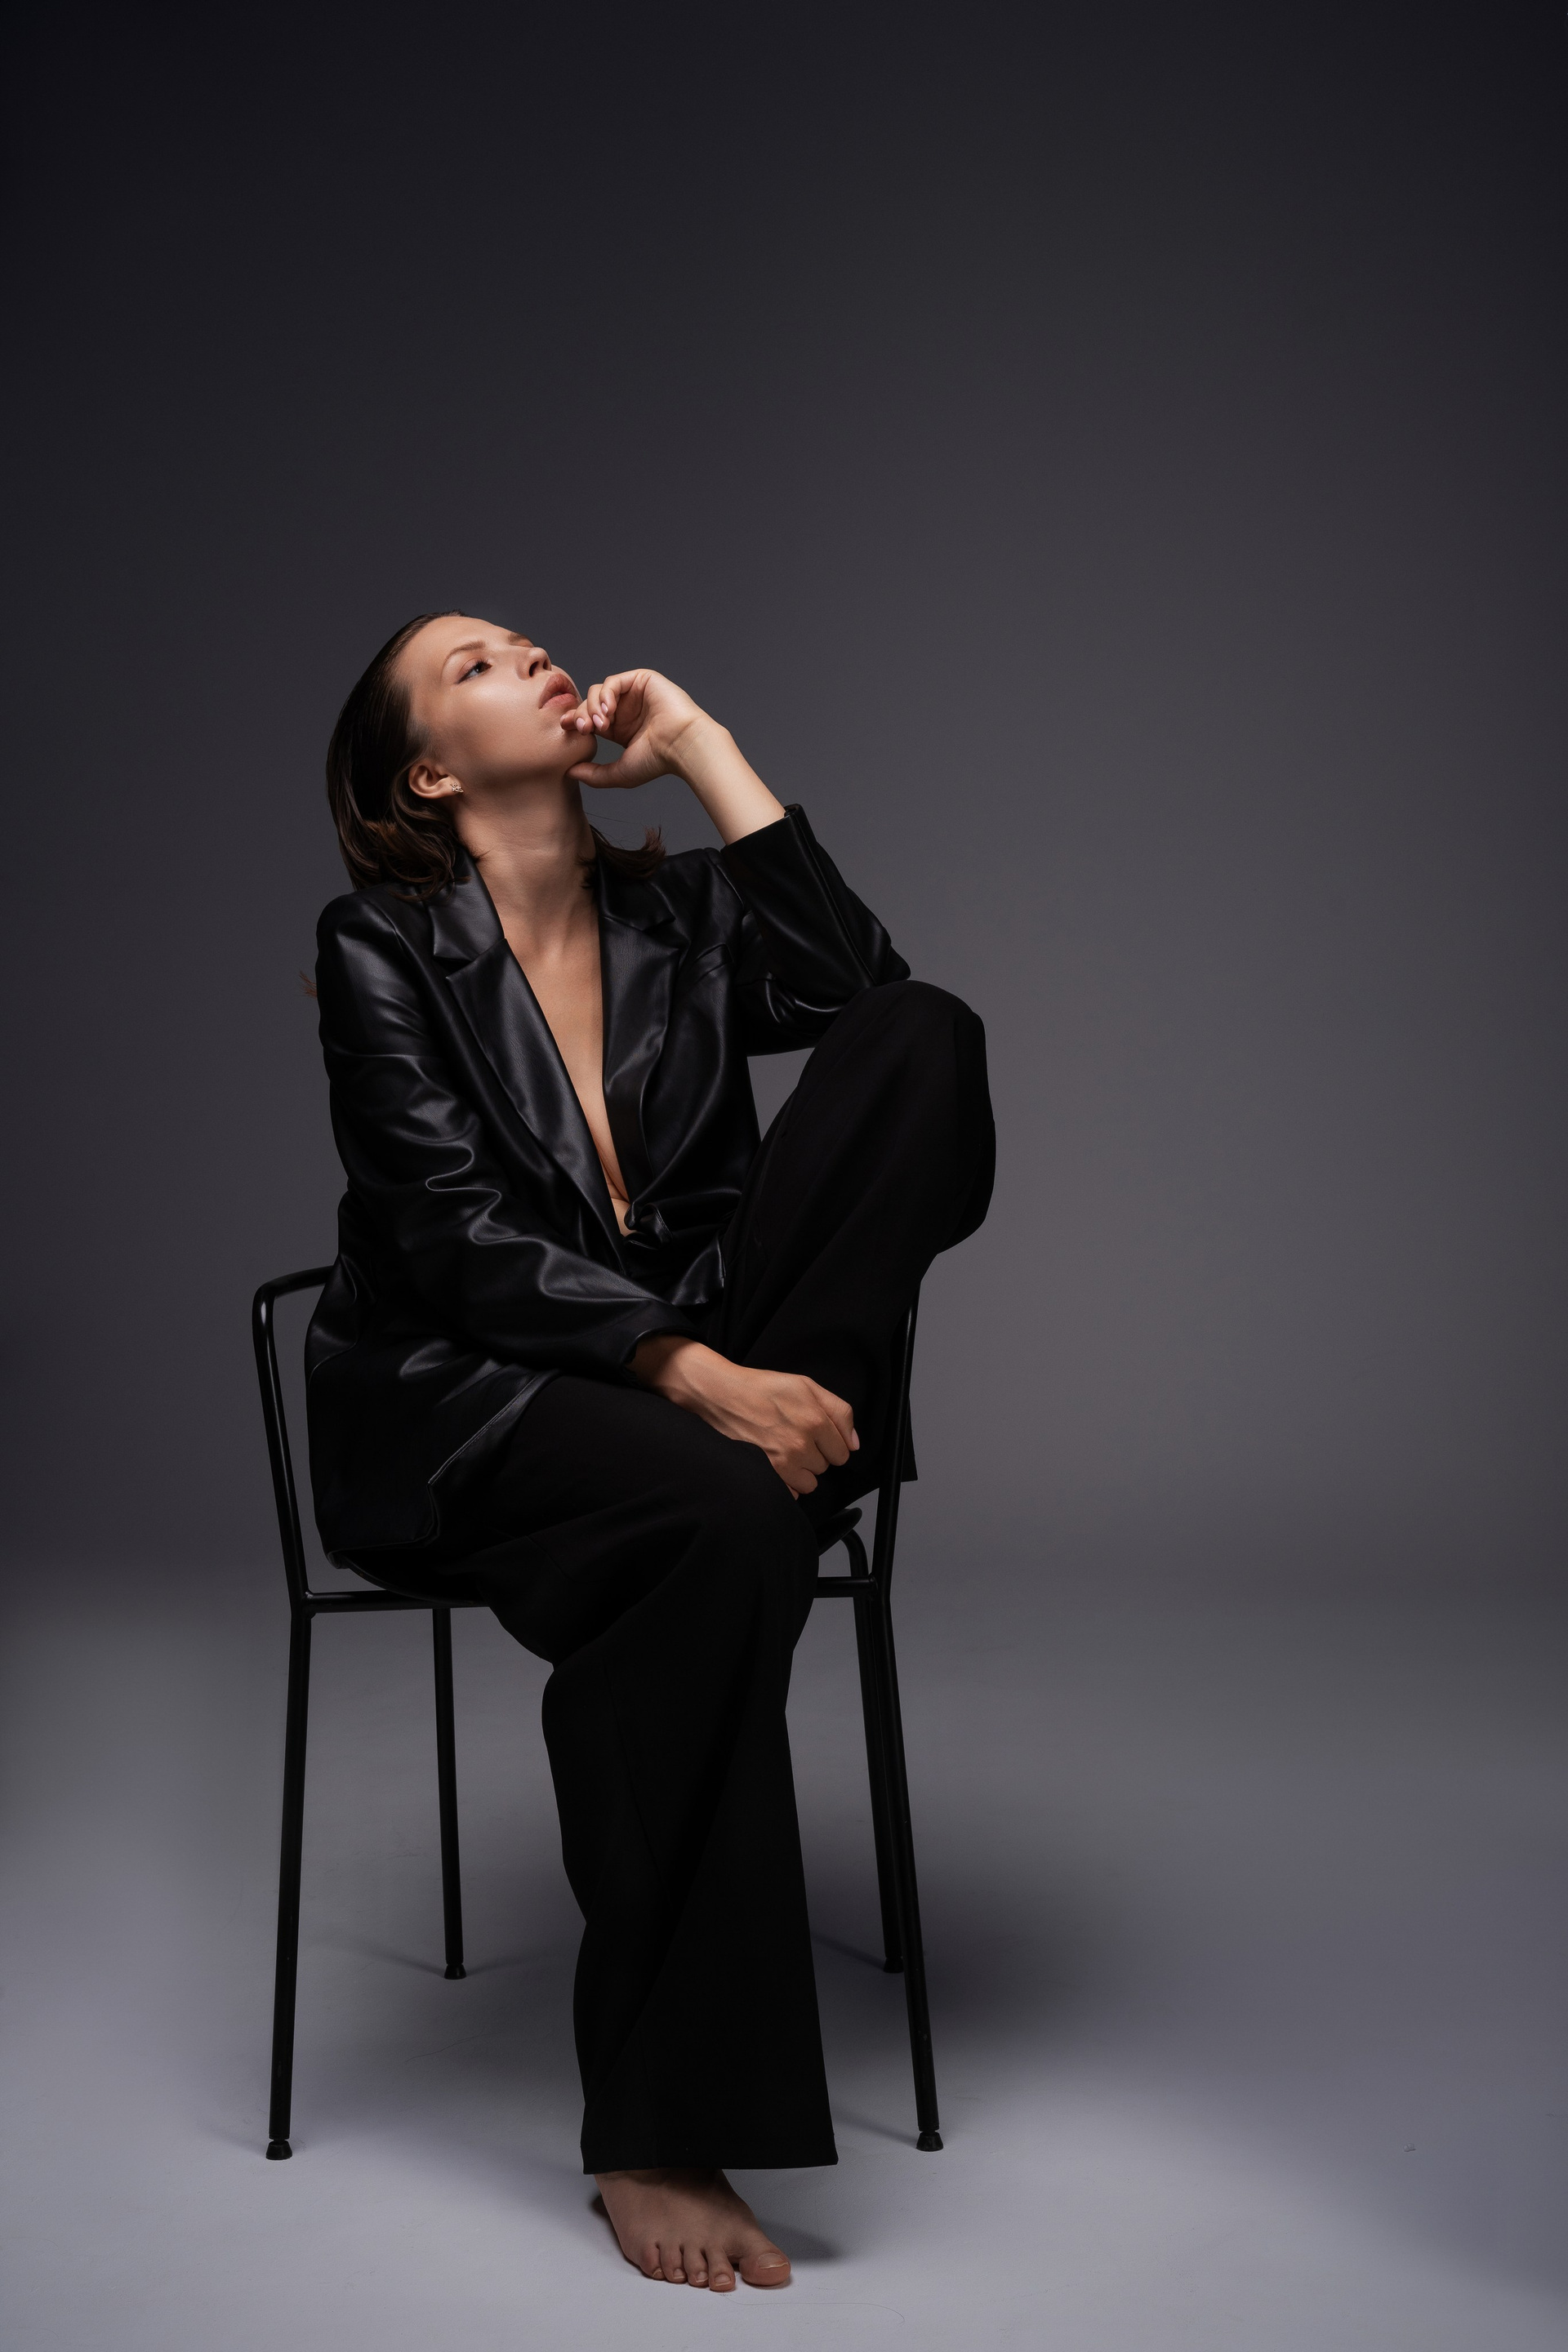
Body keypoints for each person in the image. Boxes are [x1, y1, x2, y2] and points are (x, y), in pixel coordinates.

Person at [305, 612, 995, 2291]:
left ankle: (779, 1437)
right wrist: (695, 1375)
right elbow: (448, 1231)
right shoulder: (380, 945)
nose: (529, 654)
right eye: (475, 664)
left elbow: (859, 1000)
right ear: (429, 772)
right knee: (721, 1518)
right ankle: (657, 2130)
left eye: (521, 638)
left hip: (708, 1379)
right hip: (477, 1396)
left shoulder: (676, 917)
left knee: (926, 1031)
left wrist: (700, 748)